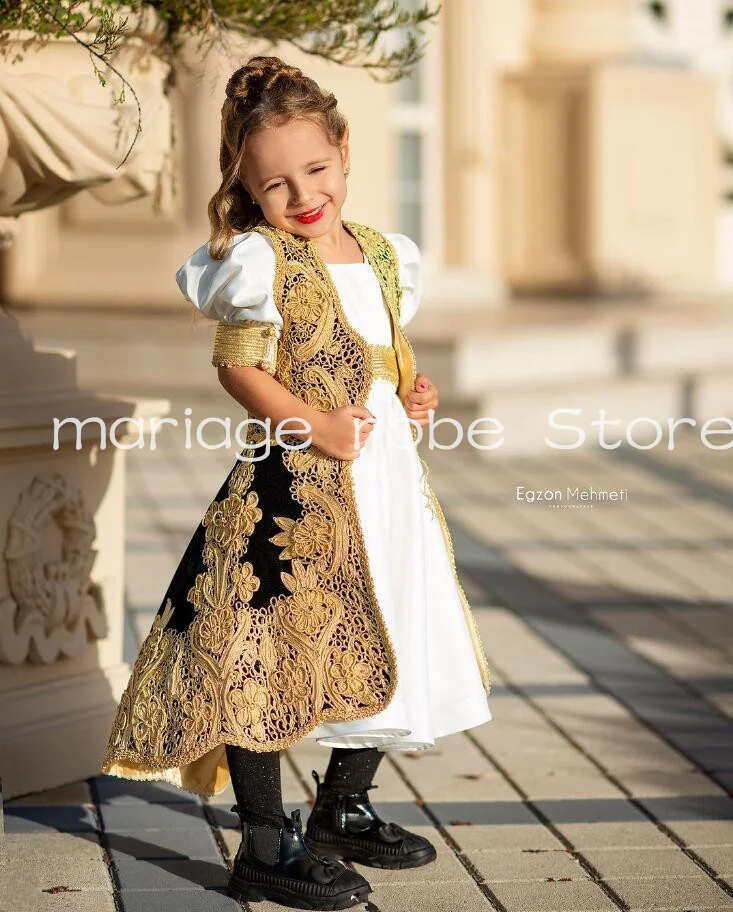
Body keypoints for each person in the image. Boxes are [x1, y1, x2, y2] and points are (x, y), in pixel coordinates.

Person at [100, 54, 492, 910]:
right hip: (295, 492)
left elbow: (380, 352)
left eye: (315, 169)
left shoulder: (386, 254)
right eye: (275, 183)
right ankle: (265, 842)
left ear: (344, 150)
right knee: (262, 651)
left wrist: (411, 395)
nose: (302, 194)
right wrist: (310, 424)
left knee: (397, 624)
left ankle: (342, 810)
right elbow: (239, 370)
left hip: (384, 481)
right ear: (244, 182)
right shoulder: (258, 260)